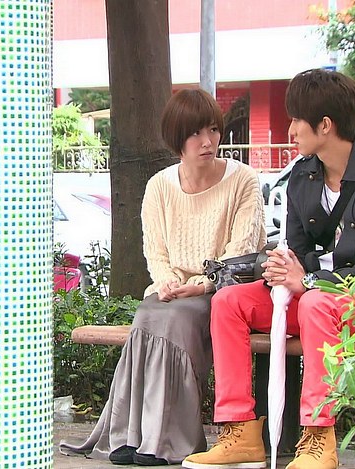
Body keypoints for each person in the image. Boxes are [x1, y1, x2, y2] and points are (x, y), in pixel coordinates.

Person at [182, 70, 355, 469]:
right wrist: (283, 267)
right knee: (229, 303)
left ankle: (318, 438)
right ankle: (239, 431)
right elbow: (298, 250)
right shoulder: (303, 175)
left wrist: (309, 281)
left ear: (325, 125)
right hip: (311, 296)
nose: (290, 130)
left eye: (296, 120)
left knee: (315, 304)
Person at [60, 88, 267, 466]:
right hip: (173, 289)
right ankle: (130, 434)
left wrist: (200, 284)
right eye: (195, 133)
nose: (207, 142)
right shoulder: (159, 185)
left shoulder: (243, 180)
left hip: (223, 290)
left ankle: (169, 439)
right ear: (177, 139)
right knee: (148, 314)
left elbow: (241, 252)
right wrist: (168, 281)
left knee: (176, 317)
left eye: (212, 130)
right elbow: (155, 251)